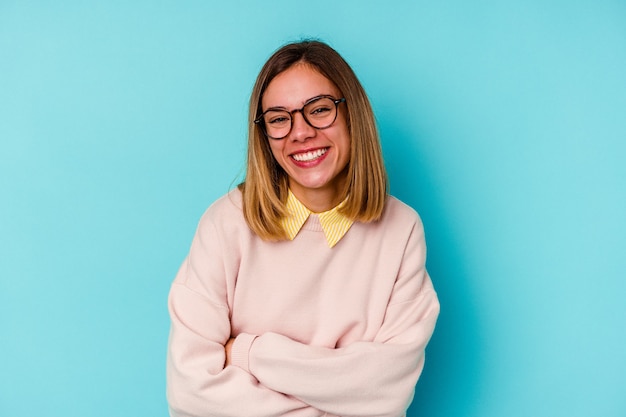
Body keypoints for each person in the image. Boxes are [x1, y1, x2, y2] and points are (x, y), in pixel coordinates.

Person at [166, 40, 440, 417]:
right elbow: (191, 394)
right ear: (265, 135)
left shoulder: (401, 230)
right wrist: (338, 397)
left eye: (320, 110)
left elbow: (386, 392)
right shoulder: (225, 224)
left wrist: (250, 353)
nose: (301, 132)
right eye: (279, 118)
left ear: (352, 114)